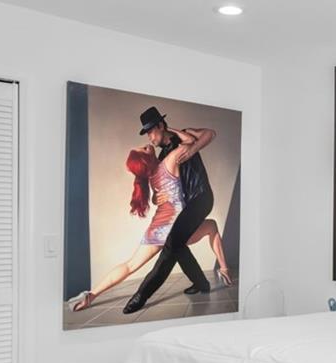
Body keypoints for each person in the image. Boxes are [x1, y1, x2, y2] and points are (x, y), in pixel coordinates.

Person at [68, 144, 232, 313]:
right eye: (143, 150)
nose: (146, 145)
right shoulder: (170, 160)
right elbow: (191, 143)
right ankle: (224, 270)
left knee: (130, 265)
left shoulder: (150, 177)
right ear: (147, 160)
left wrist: (155, 198)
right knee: (211, 226)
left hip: (157, 229)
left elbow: (162, 190)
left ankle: (90, 295)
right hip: (177, 227)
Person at [121, 106, 218, 314]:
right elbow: (162, 188)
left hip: (201, 198)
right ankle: (201, 283)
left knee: (172, 244)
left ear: (160, 125)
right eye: (146, 133)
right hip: (186, 206)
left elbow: (211, 134)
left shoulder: (185, 135)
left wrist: (192, 149)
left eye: (150, 131)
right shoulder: (162, 156)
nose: (149, 137)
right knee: (177, 244)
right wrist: (156, 198)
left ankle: (141, 295)